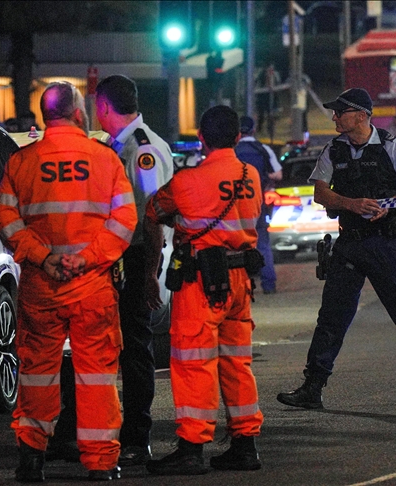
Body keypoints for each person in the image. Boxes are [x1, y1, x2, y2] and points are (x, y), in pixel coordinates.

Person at [0, 81, 137, 482]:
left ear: (44, 116)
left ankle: (32, 458)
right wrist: (85, 258)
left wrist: (45, 257)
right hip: (91, 284)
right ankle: (101, 463)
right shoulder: (105, 160)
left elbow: (7, 220)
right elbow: (124, 221)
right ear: (79, 113)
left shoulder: (22, 162)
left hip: (42, 285)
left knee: (37, 372)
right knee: (96, 376)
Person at [276, 88, 396, 410]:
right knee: (332, 318)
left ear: (362, 116)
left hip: (385, 243)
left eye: (341, 112)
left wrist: (388, 205)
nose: (335, 117)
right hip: (350, 242)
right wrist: (350, 204)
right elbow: (321, 194)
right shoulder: (334, 150)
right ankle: (313, 387)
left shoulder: (392, 146)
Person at [145, 105, 264, 476]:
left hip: (200, 283)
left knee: (194, 364)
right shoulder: (252, 175)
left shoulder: (186, 181)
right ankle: (245, 445)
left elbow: (154, 209)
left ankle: (192, 448)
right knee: (237, 363)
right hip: (241, 282)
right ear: (238, 137)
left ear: (201, 138)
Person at [95, 74, 175, 467]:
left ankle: (137, 436)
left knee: (136, 349)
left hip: (138, 256)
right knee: (114, 346)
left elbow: (154, 215)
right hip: (119, 257)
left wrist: (149, 275)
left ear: (104, 106)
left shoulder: (142, 149)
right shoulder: (121, 145)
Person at [235, 115, 282, 294]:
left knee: (236, 245)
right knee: (262, 243)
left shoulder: (232, 150)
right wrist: (262, 177)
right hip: (257, 202)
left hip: (234, 204)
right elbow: (277, 175)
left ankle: (241, 287)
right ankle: (268, 285)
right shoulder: (262, 149)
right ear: (254, 130)